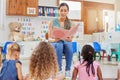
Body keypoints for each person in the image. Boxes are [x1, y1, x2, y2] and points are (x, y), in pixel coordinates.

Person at [48, 2, 75, 76]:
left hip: (66, 42)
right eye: (61, 10)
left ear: (67, 12)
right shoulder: (52, 22)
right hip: (55, 42)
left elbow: (71, 39)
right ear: (58, 11)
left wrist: (68, 38)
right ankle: (58, 70)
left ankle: (67, 70)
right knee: (59, 45)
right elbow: (49, 39)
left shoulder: (71, 23)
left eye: (65, 10)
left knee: (69, 48)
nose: (63, 12)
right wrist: (55, 40)